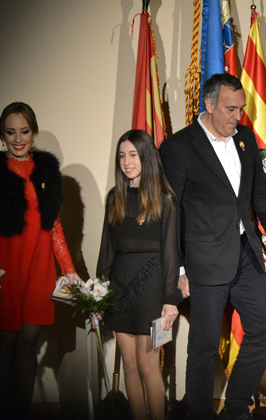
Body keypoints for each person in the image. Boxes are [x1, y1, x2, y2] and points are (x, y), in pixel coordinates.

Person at [159, 73, 266, 420]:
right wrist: (179, 269)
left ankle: (235, 409)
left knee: (264, 326)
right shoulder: (178, 147)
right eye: (230, 109)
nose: (238, 116)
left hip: (246, 254)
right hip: (203, 261)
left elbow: (262, 198)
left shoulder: (245, 138)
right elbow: (171, 214)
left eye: (241, 108)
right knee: (203, 347)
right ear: (209, 104)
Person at [0, 102, 81, 418]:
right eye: (10, 132)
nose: (18, 139)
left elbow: (54, 224)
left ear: (34, 132)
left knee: (28, 343)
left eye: (24, 131)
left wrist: (69, 269)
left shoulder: (46, 172)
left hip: (38, 266)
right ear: (1, 135)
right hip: (0, 270)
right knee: (3, 343)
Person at [96, 129, 182, 420]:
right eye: (122, 156)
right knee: (130, 366)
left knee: (148, 366)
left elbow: (171, 254)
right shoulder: (115, 197)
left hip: (152, 289)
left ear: (147, 157)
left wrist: (170, 299)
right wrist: (99, 294)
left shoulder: (165, 199)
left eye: (133, 155)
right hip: (119, 287)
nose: (127, 162)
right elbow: (106, 250)